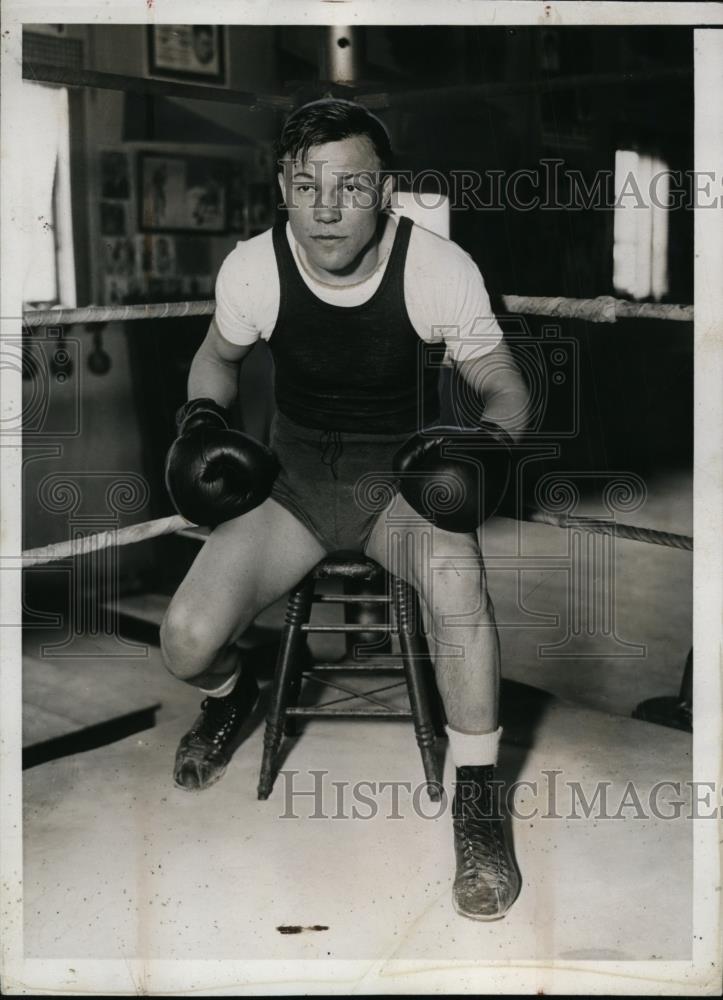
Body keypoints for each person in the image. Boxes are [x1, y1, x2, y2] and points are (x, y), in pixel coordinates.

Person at [161, 99, 531, 921]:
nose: (326, 208)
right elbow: (213, 359)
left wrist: (488, 445)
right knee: (184, 642)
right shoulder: (253, 268)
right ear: (282, 189)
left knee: (458, 583)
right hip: (289, 488)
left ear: (385, 190)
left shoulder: (436, 266)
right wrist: (202, 419)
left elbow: (503, 381)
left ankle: (476, 801)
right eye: (306, 185)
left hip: (392, 488)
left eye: (350, 185)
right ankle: (233, 697)